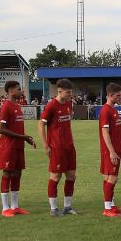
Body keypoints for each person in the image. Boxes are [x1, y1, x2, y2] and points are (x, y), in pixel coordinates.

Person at [39, 78, 78, 216]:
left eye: (70, 92)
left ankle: (67, 207)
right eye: (68, 92)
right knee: (56, 176)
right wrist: (46, 146)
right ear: (59, 91)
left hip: (69, 146)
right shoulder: (51, 106)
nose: (70, 95)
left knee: (71, 176)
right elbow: (41, 125)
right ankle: (54, 209)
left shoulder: (68, 104)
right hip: (56, 147)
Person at [0, 80, 36, 217]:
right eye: (19, 89)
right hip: (8, 146)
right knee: (7, 173)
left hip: (18, 146)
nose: (21, 91)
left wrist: (25, 139)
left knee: (17, 173)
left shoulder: (17, 106)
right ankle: (5, 207)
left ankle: (15, 206)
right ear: (11, 91)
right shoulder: (6, 106)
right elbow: (0, 129)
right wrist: (23, 137)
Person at [98, 83, 121, 218]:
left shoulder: (114, 109)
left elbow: (116, 132)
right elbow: (105, 132)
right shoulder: (106, 110)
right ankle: (107, 208)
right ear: (110, 95)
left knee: (108, 177)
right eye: (118, 95)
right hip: (110, 151)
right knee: (112, 178)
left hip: (116, 150)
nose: (120, 97)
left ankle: (112, 205)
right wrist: (112, 151)